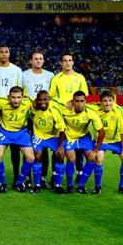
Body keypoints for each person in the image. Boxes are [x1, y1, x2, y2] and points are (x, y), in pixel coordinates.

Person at [0, 45, 23, 186]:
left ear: (9, 53)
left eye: (6, 51)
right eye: (1, 52)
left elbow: (19, 90)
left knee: (15, 147)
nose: (4, 54)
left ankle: (15, 176)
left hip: (12, 111)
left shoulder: (16, 70)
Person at [53, 91, 104, 194]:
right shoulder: (65, 110)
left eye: (82, 101)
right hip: (69, 137)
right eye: (77, 101)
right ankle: (70, 184)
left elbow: (101, 132)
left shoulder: (90, 113)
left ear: (85, 101)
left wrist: (96, 150)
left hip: (83, 138)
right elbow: (52, 102)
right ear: (73, 102)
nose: (79, 104)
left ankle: (81, 185)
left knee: (93, 158)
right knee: (71, 158)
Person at [49, 53, 89, 185]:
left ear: (73, 62)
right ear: (61, 63)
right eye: (65, 61)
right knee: (57, 146)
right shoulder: (56, 78)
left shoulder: (80, 78)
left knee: (78, 147)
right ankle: (55, 174)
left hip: (76, 116)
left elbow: (84, 96)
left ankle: (79, 173)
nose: (67, 63)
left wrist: (74, 104)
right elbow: (51, 97)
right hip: (61, 116)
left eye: (70, 60)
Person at [78, 89, 122, 194]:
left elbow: (122, 132)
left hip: (117, 140)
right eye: (105, 101)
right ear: (100, 102)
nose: (108, 103)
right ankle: (98, 186)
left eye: (110, 100)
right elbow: (81, 104)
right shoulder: (94, 107)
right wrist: (70, 103)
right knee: (98, 159)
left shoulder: (118, 111)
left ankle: (122, 186)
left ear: (114, 100)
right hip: (101, 141)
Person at [0, 86, 35, 193]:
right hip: (4, 133)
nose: (16, 100)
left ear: (23, 97)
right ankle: (3, 183)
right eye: (13, 97)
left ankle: (19, 182)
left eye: (18, 97)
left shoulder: (28, 102)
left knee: (31, 158)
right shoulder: (1, 102)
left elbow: (43, 101)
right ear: (9, 97)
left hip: (21, 133)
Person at [22, 51, 55, 188]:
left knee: (44, 148)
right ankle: (28, 177)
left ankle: (42, 177)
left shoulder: (50, 76)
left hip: (44, 116)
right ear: (31, 61)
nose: (38, 61)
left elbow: (52, 96)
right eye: (35, 58)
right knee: (29, 147)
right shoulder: (24, 75)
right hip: (29, 116)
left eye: (40, 58)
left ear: (43, 60)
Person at [30, 90, 65, 193]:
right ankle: (37, 185)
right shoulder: (34, 108)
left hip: (53, 137)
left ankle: (58, 185)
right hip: (39, 136)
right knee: (38, 156)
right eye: (40, 100)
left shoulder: (55, 111)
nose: (42, 102)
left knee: (60, 156)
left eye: (45, 99)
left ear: (49, 99)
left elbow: (62, 130)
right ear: (37, 100)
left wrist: (59, 146)